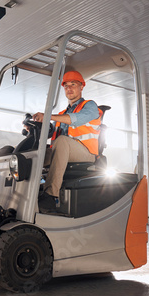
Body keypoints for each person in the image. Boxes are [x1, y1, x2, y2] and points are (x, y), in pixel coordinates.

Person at [33, 70, 102, 213]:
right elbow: (51, 132)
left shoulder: (89, 106)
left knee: (62, 141)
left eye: (73, 84)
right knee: (32, 153)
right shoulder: (62, 113)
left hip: (86, 153)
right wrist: (34, 126)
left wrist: (46, 116)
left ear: (81, 87)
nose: (69, 88)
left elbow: (75, 119)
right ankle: (27, 192)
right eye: (66, 86)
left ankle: (50, 195)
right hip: (62, 151)